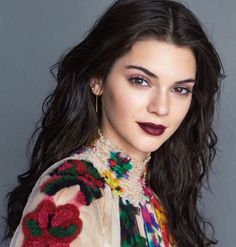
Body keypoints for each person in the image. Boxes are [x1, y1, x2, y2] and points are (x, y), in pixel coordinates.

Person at [4, 0, 224, 246]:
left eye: (180, 89)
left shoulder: (153, 198)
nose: (161, 107)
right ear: (97, 79)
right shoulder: (70, 194)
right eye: (140, 80)